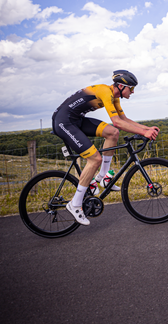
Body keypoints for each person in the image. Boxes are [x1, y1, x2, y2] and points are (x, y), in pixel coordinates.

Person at [52, 70, 160, 226]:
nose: (133, 92)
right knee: (95, 159)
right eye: (132, 88)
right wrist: (144, 132)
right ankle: (75, 204)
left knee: (113, 133)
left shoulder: (114, 96)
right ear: (122, 86)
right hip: (64, 123)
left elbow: (123, 119)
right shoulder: (105, 92)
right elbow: (117, 121)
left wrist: (146, 128)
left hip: (76, 120)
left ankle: (102, 176)